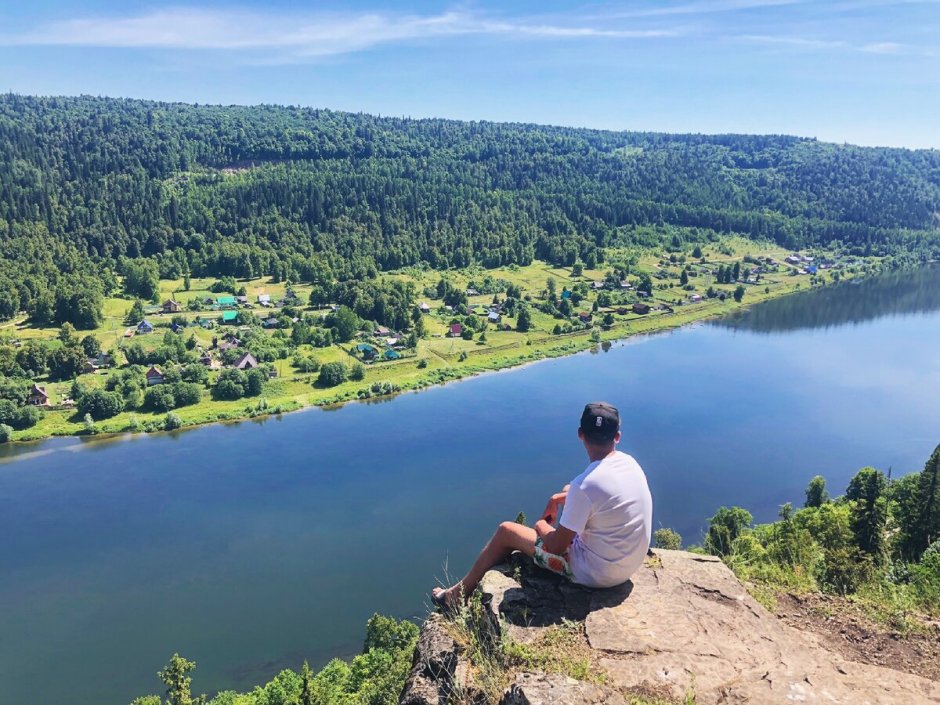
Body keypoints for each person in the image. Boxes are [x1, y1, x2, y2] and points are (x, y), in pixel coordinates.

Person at [432, 402, 652, 607]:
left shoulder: (584, 486)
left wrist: (540, 525)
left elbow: (556, 547)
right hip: (628, 566)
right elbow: (594, 495)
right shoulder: (629, 463)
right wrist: (557, 498)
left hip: (597, 574)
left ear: (580, 434)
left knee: (506, 531)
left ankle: (455, 596)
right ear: (617, 437)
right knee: (567, 489)